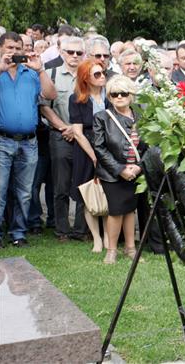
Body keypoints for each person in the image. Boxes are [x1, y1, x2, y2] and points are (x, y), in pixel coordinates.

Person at [0, 31, 57, 248]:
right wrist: (1, 68)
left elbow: (51, 95)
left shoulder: (31, 73)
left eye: (18, 48)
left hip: (29, 142)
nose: (14, 52)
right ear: (0, 49)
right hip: (1, 140)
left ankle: (18, 233)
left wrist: (40, 69)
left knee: (24, 192)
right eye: (10, 48)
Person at [40, 36, 89, 242]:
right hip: (61, 136)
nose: (75, 56)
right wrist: (65, 128)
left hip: (85, 135)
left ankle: (81, 230)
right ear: (62, 53)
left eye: (79, 53)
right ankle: (62, 230)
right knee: (61, 185)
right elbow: (44, 107)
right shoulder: (51, 73)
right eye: (71, 52)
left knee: (84, 184)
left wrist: (78, 130)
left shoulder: (88, 76)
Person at [93, 75, 145, 264]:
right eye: (114, 94)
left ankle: (131, 249)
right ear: (109, 96)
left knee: (130, 209)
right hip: (112, 174)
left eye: (123, 93)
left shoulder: (141, 116)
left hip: (135, 172)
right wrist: (120, 169)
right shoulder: (102, 117)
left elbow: (148, 147)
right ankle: (111, 250)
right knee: (116, 210)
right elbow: (99, 148)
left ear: (131, 95)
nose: (119, 97)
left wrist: (138, 168)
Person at [69, 59, 109, 253]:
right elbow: (77, 132)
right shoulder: (76, 98)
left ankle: (110, 238)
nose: (102, 77)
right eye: (97, 74)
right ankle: (96, 239)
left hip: (110, 148)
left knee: (110, 192)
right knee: (88, 193)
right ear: (86, 78)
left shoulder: (110, 95)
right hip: (86, 150)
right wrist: (93, 155)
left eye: (103, 73)